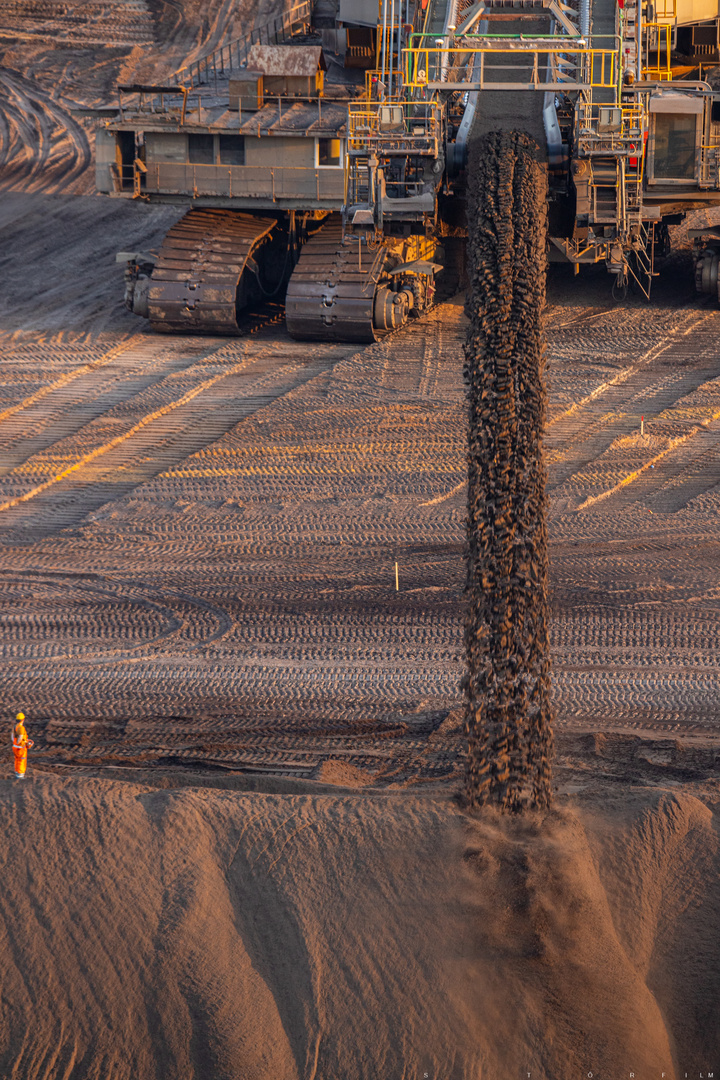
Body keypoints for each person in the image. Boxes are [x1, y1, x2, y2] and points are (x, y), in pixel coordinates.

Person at [12, 713, 33, 779]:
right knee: (22, 761)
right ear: (23, 720)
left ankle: (17, 774)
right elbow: (20, 737)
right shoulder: (21, 728)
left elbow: (12, 736)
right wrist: (20, 743)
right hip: (20, 748)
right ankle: (20, 776)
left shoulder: (15, 727)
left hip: (15, 747)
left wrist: (15, 743)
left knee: (17, 760)